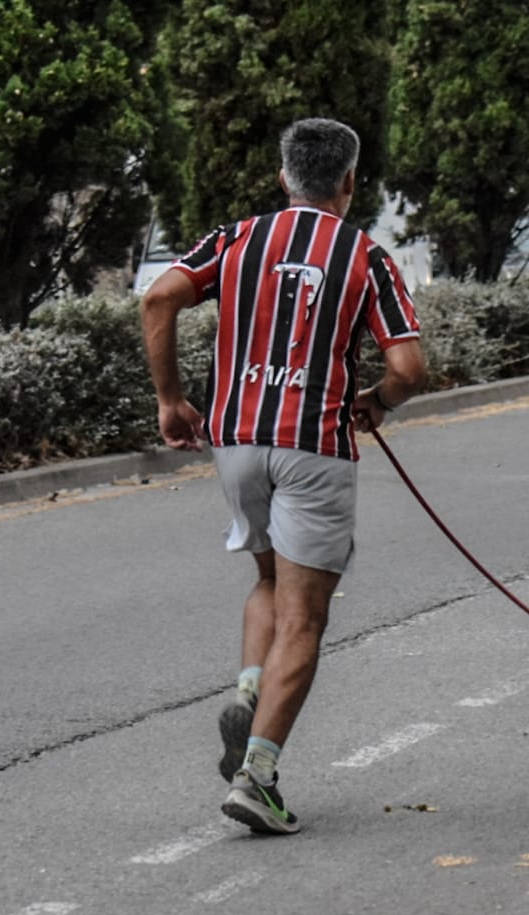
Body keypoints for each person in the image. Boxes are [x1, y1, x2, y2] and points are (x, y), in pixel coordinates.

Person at [141, 118, 430, 836]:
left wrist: (171, 398)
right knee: (305, 615)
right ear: (349, 182)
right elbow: (409, 368)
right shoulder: (365, 255)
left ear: (283, 177)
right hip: (314, 445)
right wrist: (377, 403)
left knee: (270, 581)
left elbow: (157, 298)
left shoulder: (235, 238)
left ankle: (248, 689)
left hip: (235, 438)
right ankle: (258, 777)